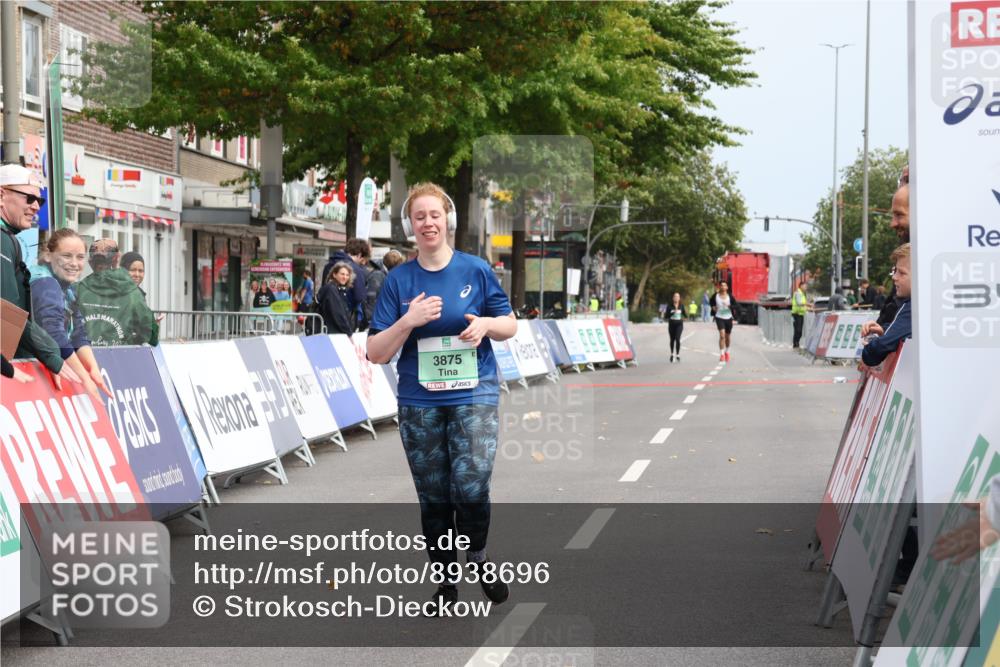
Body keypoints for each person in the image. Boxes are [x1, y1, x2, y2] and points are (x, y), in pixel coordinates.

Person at [366, 182, 516, 616]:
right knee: (434, 496)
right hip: (420, 402)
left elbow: (509, 324)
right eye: (420, 217)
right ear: (409, 226)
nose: (428, 223)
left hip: (474, 393)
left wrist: (486, 325)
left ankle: (479, 557)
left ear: (447, 219)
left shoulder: (476, 270)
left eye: (434, 215)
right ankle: (447, 582)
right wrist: (408, 321)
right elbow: (375, 352)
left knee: (470, 485)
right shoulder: (399, 280)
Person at [0, 163, 80, 389]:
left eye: (40, 201)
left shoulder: (8, 238)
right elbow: (6, 312)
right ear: (2, 195)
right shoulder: (2, 239)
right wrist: (51, 356)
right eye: (29, 198)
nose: (36, 206)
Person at [29, 228, 110, 403]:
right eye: (66, 256)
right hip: (30, 369)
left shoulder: (68, 288)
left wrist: (93, 368)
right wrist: (84, 378)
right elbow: (54, 333)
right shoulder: (45, 282)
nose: (74, 263)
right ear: (48, 255)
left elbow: (78, 332)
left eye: (80, 257)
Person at [76, 238, 158, 346]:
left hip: (82, 355)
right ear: (117, 260)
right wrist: (130, 341)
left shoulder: (76, 290)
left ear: (90, 262)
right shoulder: (133, 293)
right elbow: (151, 337)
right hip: (119, 355)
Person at [861, 244, 912, 368]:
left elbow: (874, 354)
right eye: (895, 271)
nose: (894, 277)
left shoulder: (913, 307)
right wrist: (885, 331)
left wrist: (871, 343)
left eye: (901, 273)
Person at [322, 238, 368, 328]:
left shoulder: (328, 265)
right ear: (359, 255)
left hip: (326, 313)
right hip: (345, 316)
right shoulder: (356, 269)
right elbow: (359, 296)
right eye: (362, 260)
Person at [316, 261, 357, 335]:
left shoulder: (338, 289)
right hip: (331, 333)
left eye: (347, 275)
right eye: (342, 274)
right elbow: (338, 313)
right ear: (334, 274)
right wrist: (349, 333)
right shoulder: (331, 289)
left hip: (331, 332)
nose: (345, 277)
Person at [710, 282, 735, 363]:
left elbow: (736, 305)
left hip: (728, 318)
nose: (723, 287)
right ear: (719, 287)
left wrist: (730, 306)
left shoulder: (730, 296)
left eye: (724, 285)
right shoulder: (716, 296)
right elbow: (711, 301)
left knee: (727, 336)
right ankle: (722, 354)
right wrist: (713, 307)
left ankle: (727, 352)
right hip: (719, 317)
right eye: (721, 285)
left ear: (727, 287)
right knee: (722, 335)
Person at [666, 292, 685, 362]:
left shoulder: (681, 306)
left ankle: (677, 354)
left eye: (678, 297)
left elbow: (685, 314)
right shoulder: (669, 306)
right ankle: (672, 354)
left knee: (677, 339)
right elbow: (666, 316)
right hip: (671, 325)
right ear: (673, 298)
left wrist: (684, 318)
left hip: (679, 325)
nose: (676, 298)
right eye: (675, 297)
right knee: (672, 340)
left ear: (679, 298)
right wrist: (673, 312)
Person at [791, 283, 808, 348]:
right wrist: (807, 304)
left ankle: (796, 343)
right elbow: (799, 303)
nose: (806, 288)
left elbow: (803, 306)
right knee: (798, 330)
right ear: (801, 286)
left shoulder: (802, 294)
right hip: (796, 314)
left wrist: (808, 308)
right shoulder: (798, 293)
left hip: (801, 314)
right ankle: (795, 343)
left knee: (799, 331)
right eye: (805, 286)